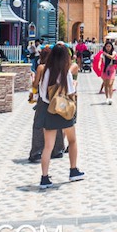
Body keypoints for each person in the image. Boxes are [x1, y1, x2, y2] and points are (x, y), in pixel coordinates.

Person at [36, 44, 84, 189]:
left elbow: (43, 94)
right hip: (64, 112)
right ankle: (73, 170)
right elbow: (70, 91)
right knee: (72, 141)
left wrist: (52, 103)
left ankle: (44, 178)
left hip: (50, 111)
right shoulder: (65, 73)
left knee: (48, 147)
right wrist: (74, 85)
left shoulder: (46, 71)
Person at [29, 47, 65, 163]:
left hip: (44, 100)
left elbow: (35, 84)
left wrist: (33, 81)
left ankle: (37, 151)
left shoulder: (41, 67)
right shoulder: (58, 67)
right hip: (56, 99)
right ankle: (58, 149)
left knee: (39, 124)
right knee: (57, 123)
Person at [100, 41, 117, 105]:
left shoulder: (113, 52)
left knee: (110, 84)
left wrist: (106, 54)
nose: (108, 48)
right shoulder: (102, 54)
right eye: (107, 46)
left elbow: (112, 57)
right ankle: (107, 98)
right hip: (105, 69)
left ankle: (110, 98)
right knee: (106, 84)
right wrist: (99, 65)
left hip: (111, 69)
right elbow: (100, 60)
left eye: (109, 46)